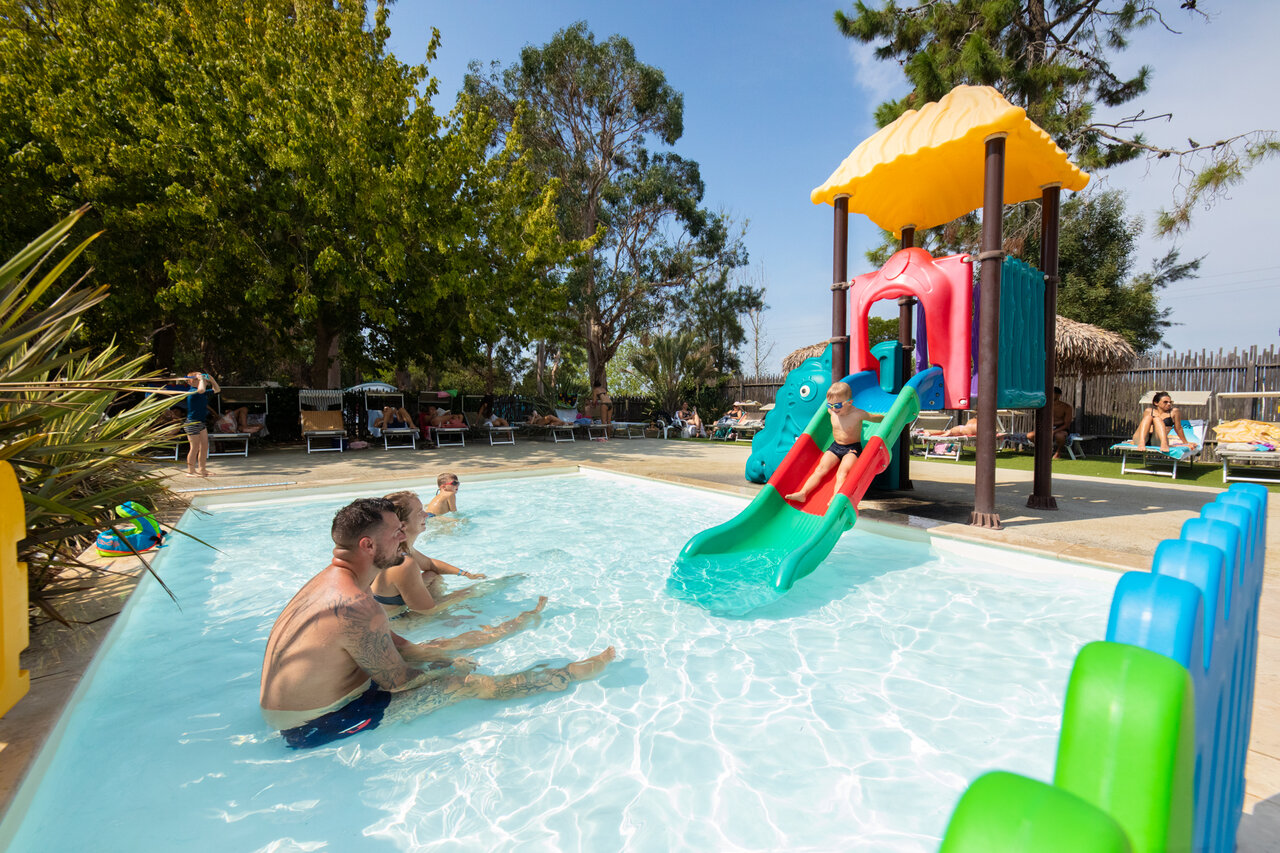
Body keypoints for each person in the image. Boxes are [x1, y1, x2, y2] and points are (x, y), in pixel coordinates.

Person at [259, 498, 615, 749]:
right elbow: (397, 682)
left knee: (430, 649)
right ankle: (561, 676)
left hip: (309, 703)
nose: (403, 538)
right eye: (395, 532)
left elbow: (392, 646)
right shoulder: (353, 605)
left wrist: (434, 653)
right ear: (367, 545)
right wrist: (446, 668)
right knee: (467, 683)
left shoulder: (328, 582)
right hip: (315, 724)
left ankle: (515, 628)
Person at [371, 489, 479, 616]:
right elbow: (428, 612)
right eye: (419, 512)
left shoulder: (398, 547)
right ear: (403, 525)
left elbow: (430, 564)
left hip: (394, 614)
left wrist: (465, 574)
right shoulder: (401, 563)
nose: (426, 515)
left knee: (432, 575)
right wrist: (468, 593)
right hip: (398, 624)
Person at [784, 382, 884, 503]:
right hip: (835, 446)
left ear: (849, 403)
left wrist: (889, 418)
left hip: (852, 449)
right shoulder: (832, 411)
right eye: (830, 405)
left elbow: (875, 418)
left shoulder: (858, 414)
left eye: (837, 405)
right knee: (820, 469)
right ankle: (803, 493)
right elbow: (827, 408)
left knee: (842, 473)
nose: (833, 408)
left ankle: (835, 498)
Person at [180, 371, 220, 476]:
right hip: (192, 423)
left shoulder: (201, 392)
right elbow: (201, 389)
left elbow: (217, 390)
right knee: (194, 447)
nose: (201, 380)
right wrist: (201, 379)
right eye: (197, 379)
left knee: (204, 446)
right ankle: (191, 471)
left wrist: (211, 379)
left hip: (201, 422)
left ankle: (202, 469)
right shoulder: (192, 392)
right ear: (190, 382)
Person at [1027, 386, 1076, 458]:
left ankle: (1058, 452)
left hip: (1061, 428)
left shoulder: (1066, 407)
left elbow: (1067, 424)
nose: (1049, 395)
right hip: (1047, 426)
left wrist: (1054, 431)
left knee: (1059, 436)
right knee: (1030, 435)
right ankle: (1043, 450)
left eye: (1052, 393)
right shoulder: (1044, 405)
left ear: (1058, 395)